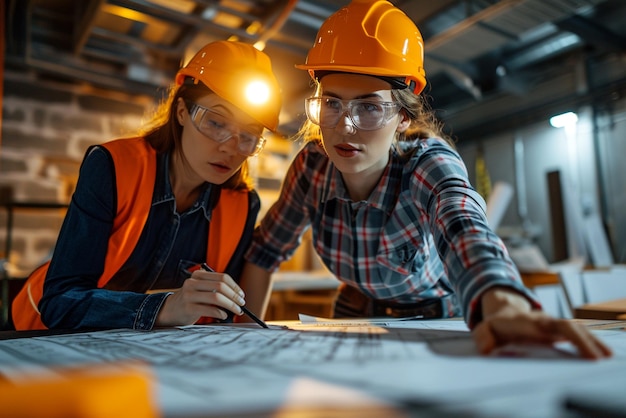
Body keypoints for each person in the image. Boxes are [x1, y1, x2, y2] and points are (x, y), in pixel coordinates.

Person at [238, 0, 612, 359]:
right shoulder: (311, 168)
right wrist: (244, 337)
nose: (344, 127)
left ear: (403, 118)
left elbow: (464, 226)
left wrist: (502, 300)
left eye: (369, 107)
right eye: (332, 103)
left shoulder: (426, 162)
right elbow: (266, 251)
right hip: (354, 314)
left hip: (436, 319)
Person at [11, 40, 282, 331]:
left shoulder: (242, 204)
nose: (231, 148)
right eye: (216, 122)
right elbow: (60, 301)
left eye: (249, 135)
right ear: (181, 112)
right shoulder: (113, 167)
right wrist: (164, 308)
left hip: (137, 352)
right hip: (38, 336)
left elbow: (221, 312)